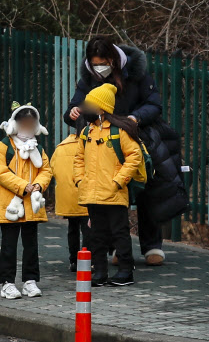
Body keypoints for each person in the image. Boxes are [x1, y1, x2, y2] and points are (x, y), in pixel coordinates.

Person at [63, 36, 166, 266]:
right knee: (107, 198)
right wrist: (73, 113)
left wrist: (135, 117)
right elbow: (75, 105)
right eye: (96, 63)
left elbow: (154, 104)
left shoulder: (136, 73)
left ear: (113, 59)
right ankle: (115, 248)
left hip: (134, 136)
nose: (100, 68)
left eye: (104, 62)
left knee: (143, 188)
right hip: (101, 144)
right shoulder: (89, 77)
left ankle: (151, 245)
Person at [73, 83, 143, 287]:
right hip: (92, 193)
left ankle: (125, 271)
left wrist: (118, 181)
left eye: (90, 104)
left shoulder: (118, 132)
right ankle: (100, 272)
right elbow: (78, 158)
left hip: (114, 193)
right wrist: (80, 180)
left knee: (120, 233)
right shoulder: (87, 132)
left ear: (101, 108)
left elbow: (134, 156)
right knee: (96, 234)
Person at [0, 102, 52, 299]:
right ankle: (7, 283)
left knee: (31, 244)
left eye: (30, 123)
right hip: (9, 204)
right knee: (9, 245)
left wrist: (38, 185)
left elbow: (46, 170)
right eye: (23, 123)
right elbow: (0, 173)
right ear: (15, 124)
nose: (27, 127)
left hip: (31, 204)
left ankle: (30, 281)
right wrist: (22, 185)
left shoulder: (38, 147)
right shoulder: (3, 147)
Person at [51, 128, 90, 273]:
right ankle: (87, 261)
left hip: (67, 196)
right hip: (85, 194)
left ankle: (73, 260)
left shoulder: (62, 146)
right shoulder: (89, 144)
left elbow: (53, 168)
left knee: (72, 229)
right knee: (88, 229)